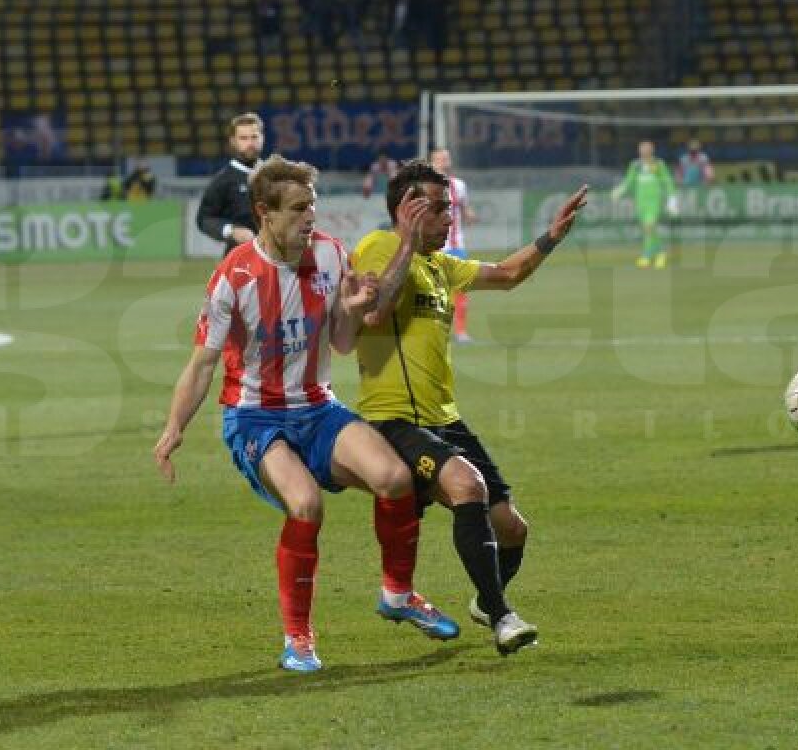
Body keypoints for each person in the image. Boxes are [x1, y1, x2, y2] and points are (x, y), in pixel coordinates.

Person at [154, 154, 459, 674]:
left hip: (317, 406)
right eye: (297, 209)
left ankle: (398, 593)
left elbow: (340, 343)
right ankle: (298, 637)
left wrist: (356, 308)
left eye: (312, 206)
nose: (310, 218)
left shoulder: (331, 255)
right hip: (255, 418)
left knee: (394, 477)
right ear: (263, 213)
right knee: (305, 502)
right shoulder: (234, 276)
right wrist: (173, 428)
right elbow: (203, 363)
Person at [351, 158, 590, 655]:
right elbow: (372, 315)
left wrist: (550, 237)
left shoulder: (440, 265)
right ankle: (502, 616)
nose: (448, 219)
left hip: (444, 418)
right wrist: (407, 243)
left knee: (513, 530)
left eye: (450, 208)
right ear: (407, 209)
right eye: (438, 209)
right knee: (466, 485)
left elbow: (506, 273)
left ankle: (486, 598)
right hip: (393, 418)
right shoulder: (378, 248)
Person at [196, 112, 264, 257]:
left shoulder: (275, 175)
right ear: (233, 141)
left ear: (262, 138)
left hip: (277, 258)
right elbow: (204, 219)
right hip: (240, 258)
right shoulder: (223, 180)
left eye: (254, 137)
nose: (250, 143)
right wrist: (231, 230)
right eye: (243, 138)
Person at [429, 147, 477, 342]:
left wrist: (470, 215)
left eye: (446, 158)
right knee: (433, 291)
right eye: (440, 159)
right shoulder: (424, 187)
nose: (444, 162)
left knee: (461, 288)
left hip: (456, 246)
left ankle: (461, 331)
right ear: (432, 162)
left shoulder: (459, 185)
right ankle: (436, 331)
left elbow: (465, 209)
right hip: (433, 247)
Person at [611, 140, 677, 269]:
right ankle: (660, 254)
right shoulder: (635, 165)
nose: (644, 151)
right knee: (649, 230)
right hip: (640, 202)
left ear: (652, 150)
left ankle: (646, 256)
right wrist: (618, 192)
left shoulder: (658, 164)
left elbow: (667, 181)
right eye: (642, 149)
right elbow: (628, 182)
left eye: (647, 149)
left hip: (654, 201)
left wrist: (672, 200)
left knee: (649, 226)